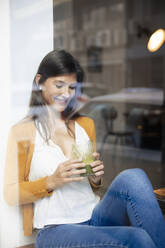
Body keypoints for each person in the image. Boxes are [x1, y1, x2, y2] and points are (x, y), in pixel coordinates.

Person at [3, 50, 165, 248]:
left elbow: (92, 183)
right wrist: (51, 181)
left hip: (95, 217)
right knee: (137, 238)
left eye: (72, 87)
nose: (66, 94)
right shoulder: (23, 132)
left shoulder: (85, 125)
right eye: (59, 85)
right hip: (55, 229)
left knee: (134, 176)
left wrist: (95, 178)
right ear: (40, 81)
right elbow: (11, 193)